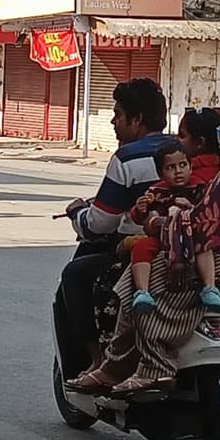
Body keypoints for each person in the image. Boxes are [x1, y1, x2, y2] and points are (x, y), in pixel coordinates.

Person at [69, 97, 220, 398]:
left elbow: (204, 228)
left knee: (147, 280)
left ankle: (152, 366)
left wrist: (157, 224)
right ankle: (117, 366)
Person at [53, 77, 171, 379]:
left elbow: (100, 222)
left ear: (137, 119)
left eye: (118, 114)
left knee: (74, 275)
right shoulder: (182, 150)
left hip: (139, 248)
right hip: (180, 248)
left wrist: (78, 213)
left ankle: (97, 360)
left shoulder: (127, 158)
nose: (113, 121)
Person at [123, 143, 220, 314]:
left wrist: (190, 208)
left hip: (191, 238)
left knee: (205, 246)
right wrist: (140, 209)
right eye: (170, 167)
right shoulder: (156, 192)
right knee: (141, 246)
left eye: (183, 165)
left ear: (191, 167)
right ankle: (142, 292)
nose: (178, 171)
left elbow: (207, 214)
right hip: (162, 239)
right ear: (160, 173)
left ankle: (209, 288)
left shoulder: (200, 188)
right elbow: (141, 219)